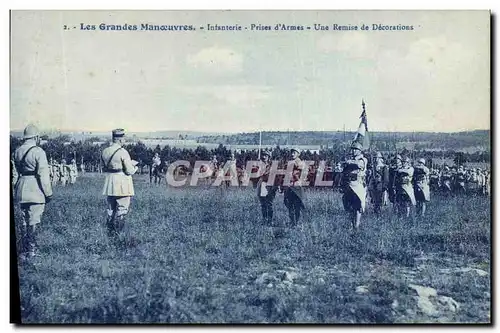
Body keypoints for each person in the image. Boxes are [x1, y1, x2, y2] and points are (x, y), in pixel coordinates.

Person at [13, 124, 53, 258]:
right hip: (35, 189)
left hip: (20, 187)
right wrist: (48, 193)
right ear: (36, 137)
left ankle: (23, 251)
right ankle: (32, 250)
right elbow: (43, 175)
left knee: (23, 221)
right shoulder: (38, 151)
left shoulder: (16, 151)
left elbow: (14, 174)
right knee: (34, 221)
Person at [101, 129, 138, 237]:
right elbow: (129, 171)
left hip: (110, 182)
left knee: (110, 210)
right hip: (122, 183)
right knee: (122, 209)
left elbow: (104, 167)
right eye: (123, 139)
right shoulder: (123, 152)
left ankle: (109, 233)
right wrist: (135, 166)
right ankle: (119, 234)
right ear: (120, 139)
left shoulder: (105, 151)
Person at [341, 142, 368, 231]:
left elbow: (359, 165)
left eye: (355, 149)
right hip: (349, 186)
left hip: (358, 186)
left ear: (360, 151)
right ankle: (351, 224)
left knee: (358, 207)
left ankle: (356, 226)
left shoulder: (363, 159)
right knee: (349, 206)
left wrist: (349, 161)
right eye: (352, 149)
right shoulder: (350, 160)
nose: (353, 151)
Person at [283, 148, 306, 226]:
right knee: (289, 204)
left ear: (298, 154)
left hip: (297, 187)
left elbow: (301, 169)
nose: (292, 154)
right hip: (289, 186)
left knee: (297, 206)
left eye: (294, 153)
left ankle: (296, 223)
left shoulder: (300, 163)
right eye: (292, 153)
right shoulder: (290, 163)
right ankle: (293, 221)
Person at [256, 150, 277, 225]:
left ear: (269, 157)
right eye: (263, 155)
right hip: (262, 185)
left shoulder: (272, 166)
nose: (264, 157)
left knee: (269, 203)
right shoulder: (259, 165)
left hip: (270, 186)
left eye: (266, 156)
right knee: (263, 204)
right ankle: (265, 219)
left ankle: (270, 220)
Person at [369, 152, 389, 216]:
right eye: (374, 158)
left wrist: (384, 187)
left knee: (380, 201)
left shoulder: (384, 167)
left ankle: (379, 214)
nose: (375, 159)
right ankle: (375, 213)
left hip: (380, 187)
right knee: (374, 201)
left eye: (376, 158)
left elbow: (385, 178)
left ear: (380, 158)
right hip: (373, 186)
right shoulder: (373, 167)